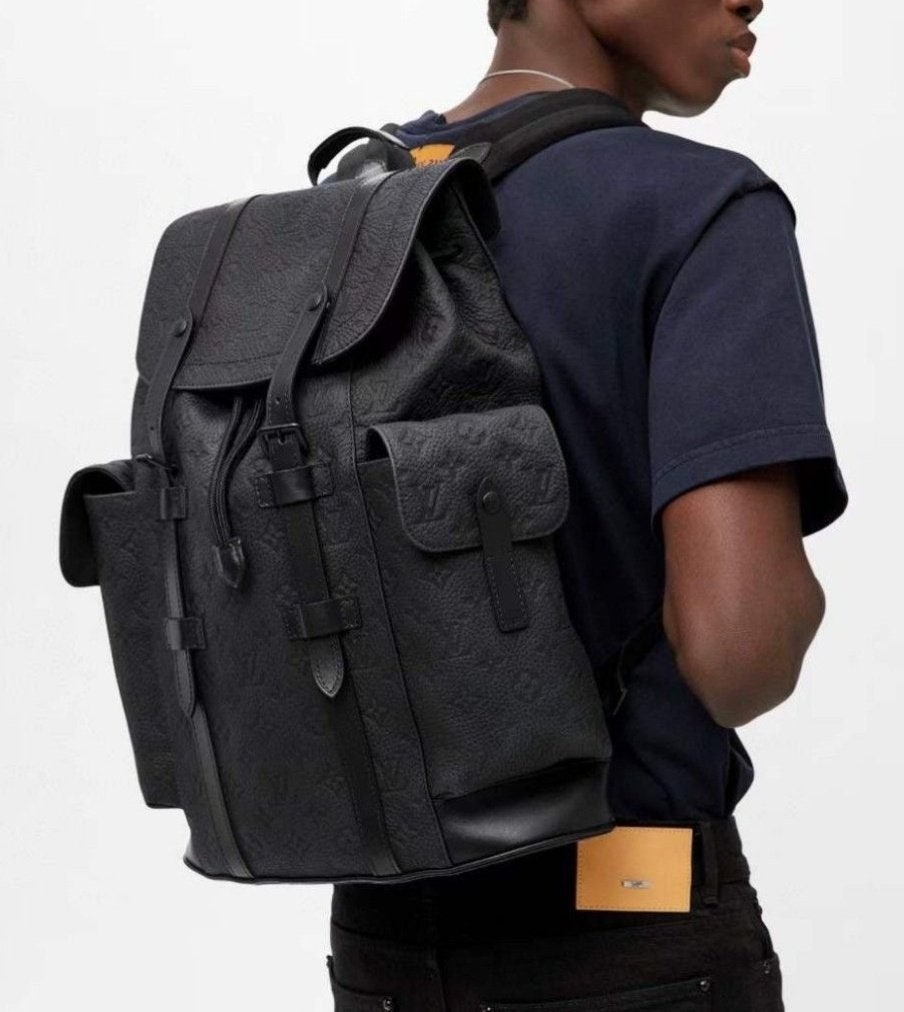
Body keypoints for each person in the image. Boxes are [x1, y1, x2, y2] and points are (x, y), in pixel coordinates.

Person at [325, 1, 848, 1009]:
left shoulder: (354, 202)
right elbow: (740, 656)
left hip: (381, 938)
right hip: (627, 917)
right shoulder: (698, 206)